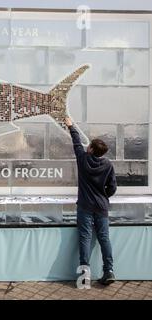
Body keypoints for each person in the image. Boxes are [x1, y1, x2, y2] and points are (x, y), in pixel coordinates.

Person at [64, 117, 117, 285]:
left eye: (90, 146)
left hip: (85, 206)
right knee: (104, 238)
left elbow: (76, 143)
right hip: (101, 207)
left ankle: (84, 276)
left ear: (92, 150)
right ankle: (108, 271)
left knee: (85, 238)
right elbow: (113, 188)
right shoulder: (108, 165)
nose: (87, 146)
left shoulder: (83, 159)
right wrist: (103, 196)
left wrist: (71, 126)